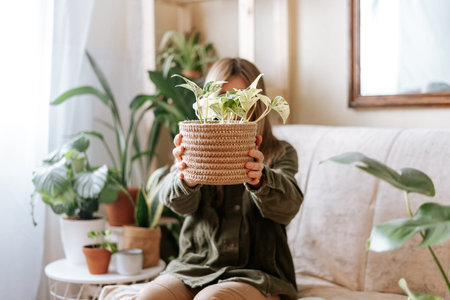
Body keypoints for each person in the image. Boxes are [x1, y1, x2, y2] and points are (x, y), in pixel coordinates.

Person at [137, 58, 303, 300]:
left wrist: (261, 179)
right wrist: (187, 177)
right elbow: (178, 204)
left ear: (257, 102)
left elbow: (287, 207)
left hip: (257, 274)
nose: (233, 106)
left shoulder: (280, 152)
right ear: (209, 101)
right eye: (224, 96)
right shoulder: (198, 144)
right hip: (196, 267)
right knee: (149, 297)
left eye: (242, 96)